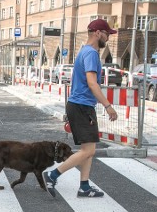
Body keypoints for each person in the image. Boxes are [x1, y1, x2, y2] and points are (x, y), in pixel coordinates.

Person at [44, 18, 119, 198]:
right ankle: (52, 175)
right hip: (82, 106)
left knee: (89, 148)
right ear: (97, 33)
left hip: (80, 105)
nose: (108, 38)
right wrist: (108, 106)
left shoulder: (84, 51)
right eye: (107, 34)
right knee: (89, 150)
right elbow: (93, 84)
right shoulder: (91, 53)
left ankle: (84, 186)